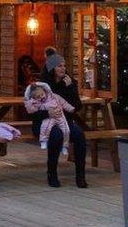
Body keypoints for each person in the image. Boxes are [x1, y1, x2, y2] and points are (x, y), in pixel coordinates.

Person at [35, 53, 88, 188]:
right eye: (59, 66)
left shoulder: (70, 83)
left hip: (65, 121)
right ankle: (52, 173)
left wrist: (70, 88)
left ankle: (80, 176)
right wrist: (48, 112)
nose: (63, 68)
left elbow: (77, 107)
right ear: (52, 68)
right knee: (57, 135)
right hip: (44, 123)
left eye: (64, 66)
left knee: (80, 136)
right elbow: (34, 112)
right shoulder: (42, 87)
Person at [25, 82, 73, 155]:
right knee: (45, 127)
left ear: (45, 92)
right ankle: (43, 141)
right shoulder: (37, 102)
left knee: (66, 130)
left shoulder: (54, 96)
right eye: (38, 97)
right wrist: (28, 100)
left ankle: (64, 146)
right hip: (49, 118)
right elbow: (30, 110)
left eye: (42, 94)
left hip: (60, 117)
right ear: (34, 98)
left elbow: (63, 103)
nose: (41, 97)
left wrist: (70, 108)